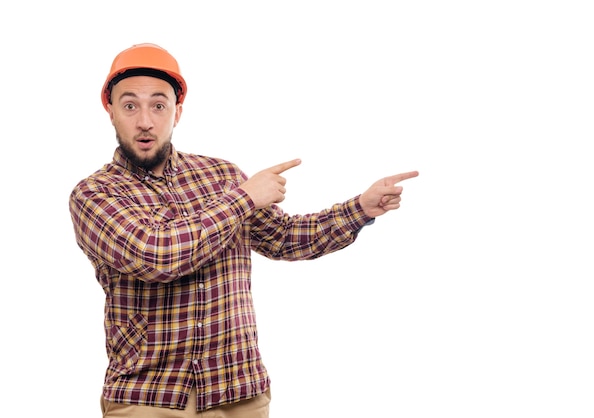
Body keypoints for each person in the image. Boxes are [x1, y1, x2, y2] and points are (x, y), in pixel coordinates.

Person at [69, 42, 419, 418]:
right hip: (150, 399)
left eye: (158, 105)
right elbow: (157, 255)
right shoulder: (94, 194)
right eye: (129, 105)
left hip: (240, 393)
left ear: (178, 112)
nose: (145, 121)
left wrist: (360, 209)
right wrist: (244, 199)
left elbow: (284, 238)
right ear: (110, 111)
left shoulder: (222, 175)